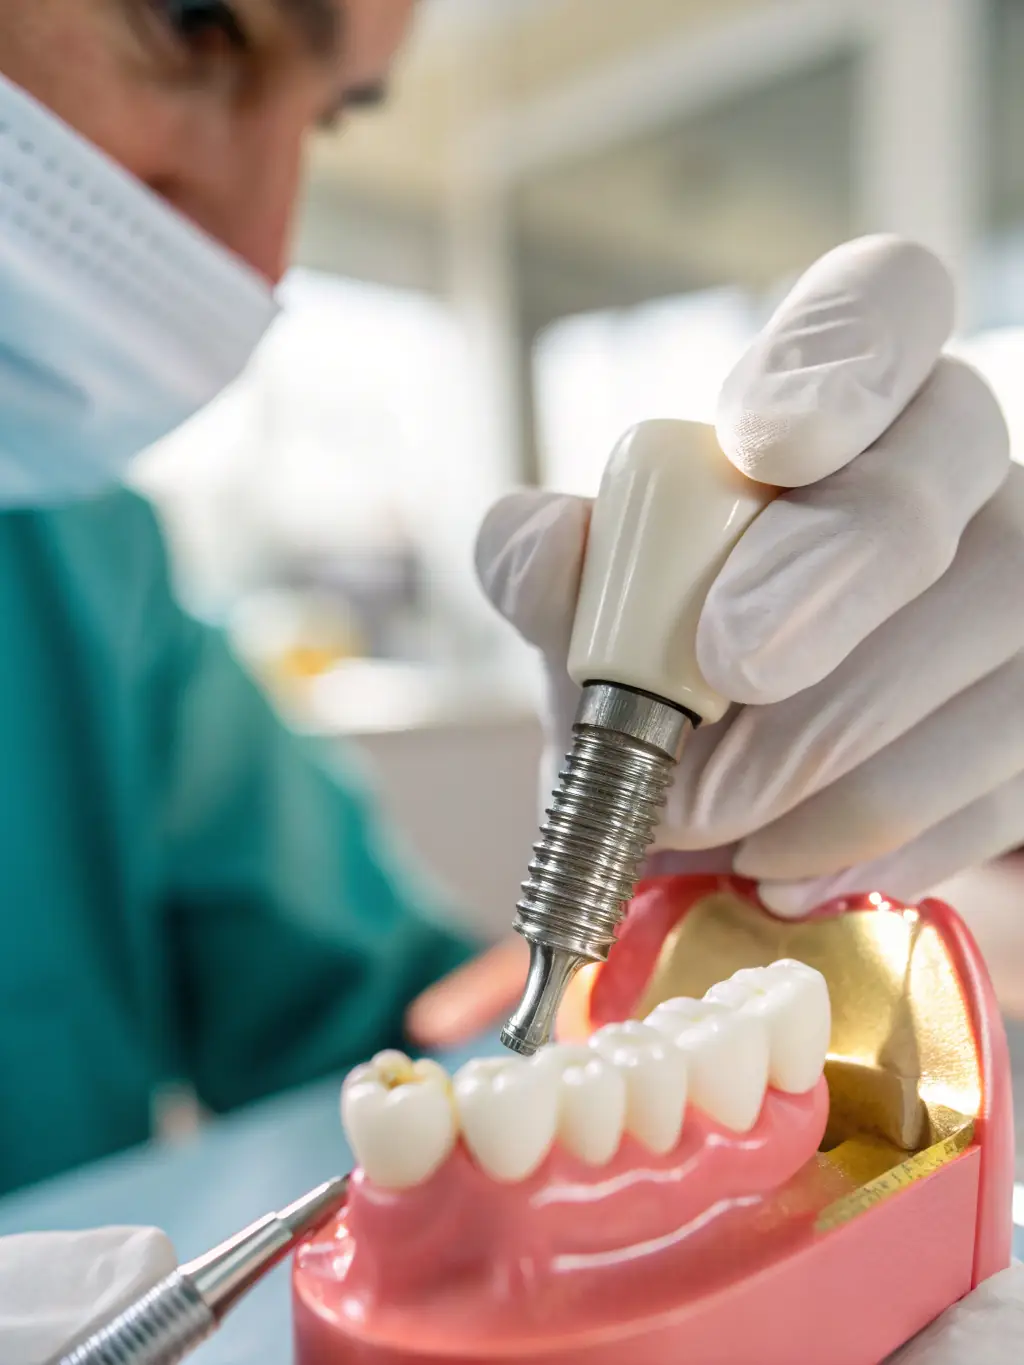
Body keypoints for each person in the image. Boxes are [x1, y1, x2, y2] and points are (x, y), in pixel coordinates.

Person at [0, 2, 1020, 1360]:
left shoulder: (91, 573)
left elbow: (416, 1044)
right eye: (194, 22)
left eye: (333, 113)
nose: (259, 245)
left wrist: (693, 907)